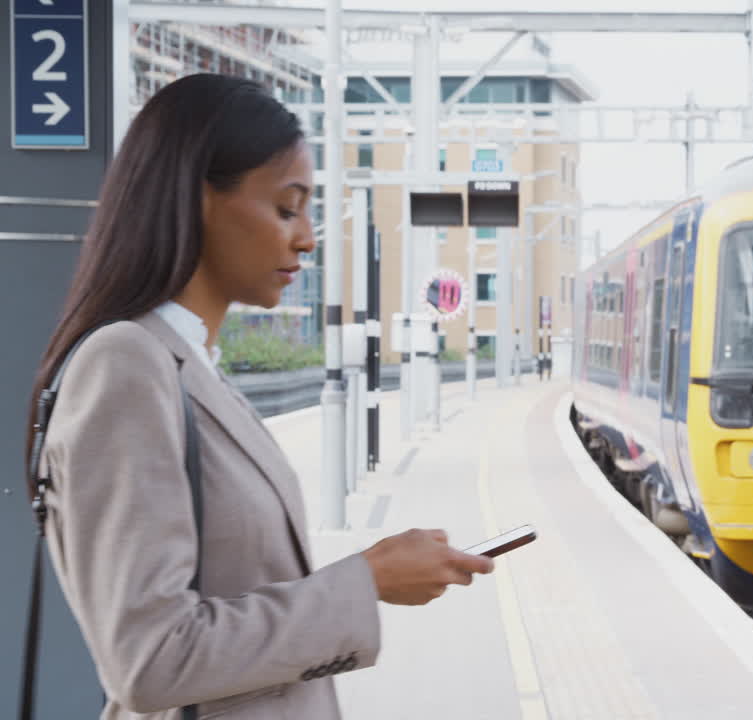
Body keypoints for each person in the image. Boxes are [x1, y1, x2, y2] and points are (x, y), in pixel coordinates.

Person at [25, 74, 493, 719]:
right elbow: (150, 660)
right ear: (198, 200)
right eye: (285, 207)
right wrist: (367, 580)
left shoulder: (189, 367)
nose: (305, 237)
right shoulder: (127, 365)